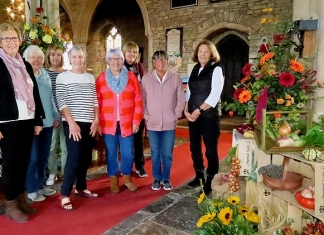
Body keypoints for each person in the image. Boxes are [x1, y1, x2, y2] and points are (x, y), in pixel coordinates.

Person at [0, 22, 45, 222]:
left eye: (14, 38)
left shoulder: (24, 63)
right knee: (10, 164)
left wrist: (37, 119)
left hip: (27, 119)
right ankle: (10, 204)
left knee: (23, 162)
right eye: (6, 38)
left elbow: (34, 93)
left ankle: (19, 198)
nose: (11, 42)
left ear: (19, 41)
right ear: (0, 42)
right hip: (7, 121)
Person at [56, 45, 99, 210]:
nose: (78, 60)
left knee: (86, 157)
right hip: (73, 123)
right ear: (69, 59)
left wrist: (97, 120)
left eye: (80, 57)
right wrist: (71, 123)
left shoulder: (90, 77)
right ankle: (65, 193)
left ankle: (81, 187)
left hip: (90, 122)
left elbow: (95, 100)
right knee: (74, 159)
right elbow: (61, 102)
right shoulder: (63, 77)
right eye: (74, 57)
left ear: (84, 58)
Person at [96, 48, 143, 193]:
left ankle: (127, 178)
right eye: (112, 59)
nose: (116, 62)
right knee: (111, 153)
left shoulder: (131, 77)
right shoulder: (101, 79)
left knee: (128, 152)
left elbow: (138, 100)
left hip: (127, 123)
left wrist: (136, 121)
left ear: (122, 60)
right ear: (108, 61)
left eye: (118, 59)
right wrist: (96, 122)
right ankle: (113, 179)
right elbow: (96, 102)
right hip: (108, 123)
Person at [141, 50, 185, 191]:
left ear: (167, 61)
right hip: (152, 123)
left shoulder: (175, 77)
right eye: (157, 60)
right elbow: (142, 100)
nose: (161, 62)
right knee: (155, 153)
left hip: (169, 123)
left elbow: (181, 98)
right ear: (153, 62)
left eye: (163, 59)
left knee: (166, 153)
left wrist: (176, 114)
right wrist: (147, 116)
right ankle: (156, 178)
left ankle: (166, 178)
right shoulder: (146, 78)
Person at [184, 39, 224, 195]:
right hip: (193, 114)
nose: (202, 54)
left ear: (211, 53)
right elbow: (189, 91)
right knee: (194, 147)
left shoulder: (217, 69)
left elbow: (215, 95)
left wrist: (199, 110)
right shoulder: (195, 68)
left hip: (208, 116)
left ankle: (210, 180)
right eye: (200, 51)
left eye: (206, 51)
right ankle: (199, 175)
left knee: (210, 150)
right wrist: (187, 108)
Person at [23, 45, 59, 202]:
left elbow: (50, 98)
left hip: (48, 122)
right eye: (32, 57)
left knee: (44, 156)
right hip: (31, 123)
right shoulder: (23, 76)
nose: (36, 60)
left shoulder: (45, 75)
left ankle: (40, 186)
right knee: (33, 157)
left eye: (39, 57)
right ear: (25, 59)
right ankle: (31, 189)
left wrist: (55, 115)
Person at [122, 42, 147, 177]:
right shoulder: (120, 68)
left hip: (138, 107)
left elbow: (144, 86)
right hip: (125, 108)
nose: (132, 54)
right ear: (124, 53)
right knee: (126, 140)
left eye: (134, 52)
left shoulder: (140, 68)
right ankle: (126, 166)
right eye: (129, 51)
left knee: (139, 140)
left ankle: (140, 166)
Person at [44, 45, 67, 186]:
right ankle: (52, 173)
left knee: (65, 146)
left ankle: (66, 173)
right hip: (51, 115)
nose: (55, 57)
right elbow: (46, 96)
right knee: (51, 146)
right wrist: (53, 114)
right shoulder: (44, 73)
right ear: (48, 57)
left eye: (58, 55)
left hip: (65, 114)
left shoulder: (66, 74)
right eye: (52, 55)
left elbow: (67, 95)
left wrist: (63, 112)